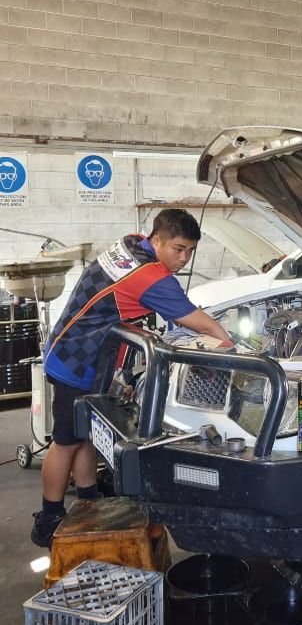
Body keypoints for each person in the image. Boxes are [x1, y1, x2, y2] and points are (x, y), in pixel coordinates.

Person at [31, 209, 232, 548]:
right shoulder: (150, 276)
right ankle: (48, 518)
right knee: (65, 440)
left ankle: (89, 500)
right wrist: (232, 349)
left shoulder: (131, 245)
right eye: (178, 249)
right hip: (76, 361)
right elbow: (204, 325)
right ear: (157, 240)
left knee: (86, 434)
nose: (183, 259)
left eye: (190, 252)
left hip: (72, 348)